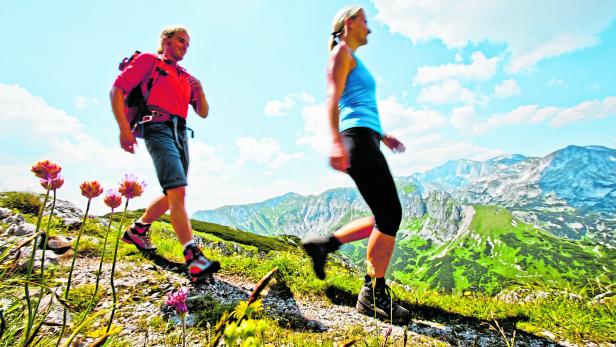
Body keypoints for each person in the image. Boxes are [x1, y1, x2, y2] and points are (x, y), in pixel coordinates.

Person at [302, 6, 410, 324]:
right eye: (365, 21)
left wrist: (383, 135)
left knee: (382, 213)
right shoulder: (341, 54)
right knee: (391, 214)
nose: (370, 28)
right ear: (350, 23)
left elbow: (356, 103)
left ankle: (325, 245)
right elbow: (333, 98)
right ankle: (372, 295)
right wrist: (335, 141)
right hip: (356, 140)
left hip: (366, 137)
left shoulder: (352, 57)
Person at [110, 25, 220, 283]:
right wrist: (124, 129)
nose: (185, 46)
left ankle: (138, 230)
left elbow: (203, 112)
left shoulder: (185, 75)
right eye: (181, 40)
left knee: (173, 190)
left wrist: (200, 91)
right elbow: (117, 90)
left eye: (188, 44)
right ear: (165, 40)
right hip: (156, 126)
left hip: (181, 132)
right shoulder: (149, 61)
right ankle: (193, 257)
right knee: (177, 189)